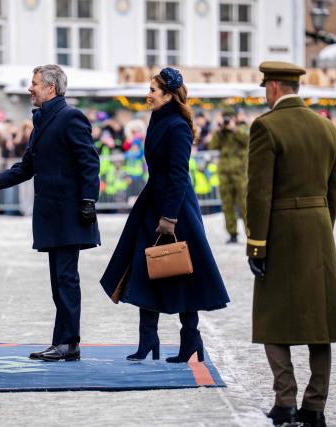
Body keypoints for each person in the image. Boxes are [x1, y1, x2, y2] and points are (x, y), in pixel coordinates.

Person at [246, 61, 336, 427]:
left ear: (273, 87)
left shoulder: (266, 126)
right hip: (318, 228)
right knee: (319, 321)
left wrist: (256, 244)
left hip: (281, 231)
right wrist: (323, 227)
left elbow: (259, 193)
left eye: (265, 87)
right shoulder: (326, 127)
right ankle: (315, 406)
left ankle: (285, 401)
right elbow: (334, 190)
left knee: (273, 318)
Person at [100, 68, 229, 364]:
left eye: (153, 91)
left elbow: (179, 175)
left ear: (169, 95)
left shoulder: (178, 126)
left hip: (175, 208)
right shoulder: (158, 118)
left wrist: (170, 217)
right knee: (145, 269)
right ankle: (149, 339)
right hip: (153, 203)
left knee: (182, 273)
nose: (148, 95)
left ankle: (191, 338)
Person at [0, 65, 100, 361]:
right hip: (52, 215)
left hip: (69, 213)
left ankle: (70, 343)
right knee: (58, 281)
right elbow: (27, 168)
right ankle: (61, 341)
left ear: (50, 88)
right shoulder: (43, 120)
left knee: (66, 280)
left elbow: (89, 162)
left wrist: (89, 200)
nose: (30, 88)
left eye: (34, 83)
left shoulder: (70, 117)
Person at [208, 106, 249, 243]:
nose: (227, 121)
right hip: (224, 173)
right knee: (227, 204)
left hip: (240, 173)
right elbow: (212, 145)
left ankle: (251, 234)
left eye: (230, 118)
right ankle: (232, 234)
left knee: (244, 204)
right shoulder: (221, 132)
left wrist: (234, 129)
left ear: (235, 118)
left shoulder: (242, 128)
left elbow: (247, 141)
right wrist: (219, 131)